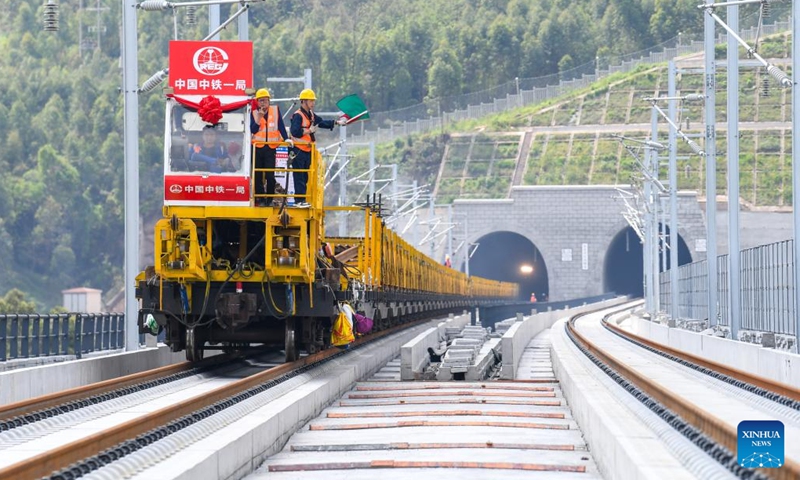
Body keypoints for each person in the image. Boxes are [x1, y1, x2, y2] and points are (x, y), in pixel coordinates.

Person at [290, 88, 346, 204]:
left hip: (307, 150)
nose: (313, 103)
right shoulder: (298, 115)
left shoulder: (310, 114)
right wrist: (308, 131)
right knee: (299, 176)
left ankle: (302, 199)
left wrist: (336, 123)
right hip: (298, 150)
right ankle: (299, 200)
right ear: (304, 101)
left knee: (305, 176)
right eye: (311, 101)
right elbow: (294, 131)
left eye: (313, 101)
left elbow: (321, 122)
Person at [251, 88, 290, 206]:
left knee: (270, 175)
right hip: (257, 148)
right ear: (257, 102)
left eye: (265, 100)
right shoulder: (253, 113)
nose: (263, 103)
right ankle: (260, 198)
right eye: (261, 100)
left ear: (269, 101)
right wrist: (258, 118)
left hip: (271, 148)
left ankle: (269, 199)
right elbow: (252, 129)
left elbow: (281, 126)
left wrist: (286, 137)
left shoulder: (275, 110)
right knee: (257, 174)